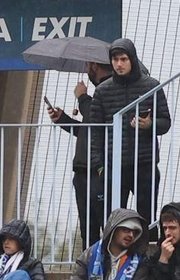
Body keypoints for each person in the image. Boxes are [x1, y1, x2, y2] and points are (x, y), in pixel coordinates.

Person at [89, 39, 168, 221]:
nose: (119, 64)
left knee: (147, 219)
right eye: (115, 59)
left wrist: (150, 124)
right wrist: (99, 166)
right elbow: (95, 133)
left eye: (123, 59)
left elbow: (166, 122)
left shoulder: (151, 86)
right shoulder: (102, 91)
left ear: (132, 59)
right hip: (113, 166)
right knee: (114, 221)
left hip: (145, 164)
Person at [47, 61, 113, 249]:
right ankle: (90, 263)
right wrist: (63, 119)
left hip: (99, 169)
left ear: (95, 66)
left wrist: (82, 97)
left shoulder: (111, 89)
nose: (86, 69)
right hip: (83, 170)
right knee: (87, 228)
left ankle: (110, 262)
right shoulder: (99, 92)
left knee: (106, 224)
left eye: (87, 66)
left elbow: (94, 118)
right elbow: (88, 130)